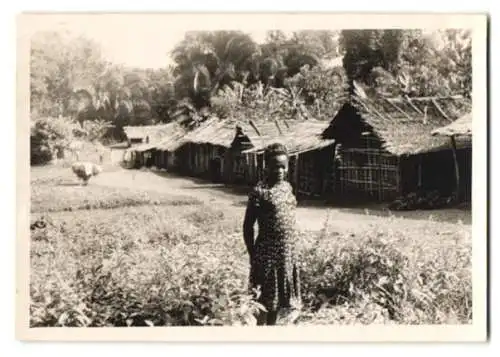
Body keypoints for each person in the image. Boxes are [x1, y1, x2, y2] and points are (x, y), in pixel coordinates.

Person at [243, 143, 301, 326]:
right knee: (264, 304)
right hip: (267, 255)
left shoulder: (287, 187)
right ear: (266, 167)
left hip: (287, 253)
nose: (280, 170)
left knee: (277, 303)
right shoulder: (260, 192)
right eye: (275, 166)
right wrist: (253, 253)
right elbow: (247, 226)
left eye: (283, 166)